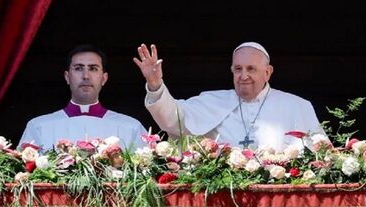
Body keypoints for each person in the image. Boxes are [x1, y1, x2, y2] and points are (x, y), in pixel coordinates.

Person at [132, 42, 324, 150]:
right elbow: (173, 120)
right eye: (238, 69)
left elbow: (321, 154)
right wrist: (155, 84)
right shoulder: (213, 101)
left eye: (251, 69)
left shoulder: (297, 106)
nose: (243, 76)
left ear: (267, 72)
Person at [18, 44, 148, 151]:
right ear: (67, 77)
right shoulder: (38, 127)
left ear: (104, 78)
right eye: (79, 68)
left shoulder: (131, 127)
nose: (86, 76)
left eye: (93, 68)